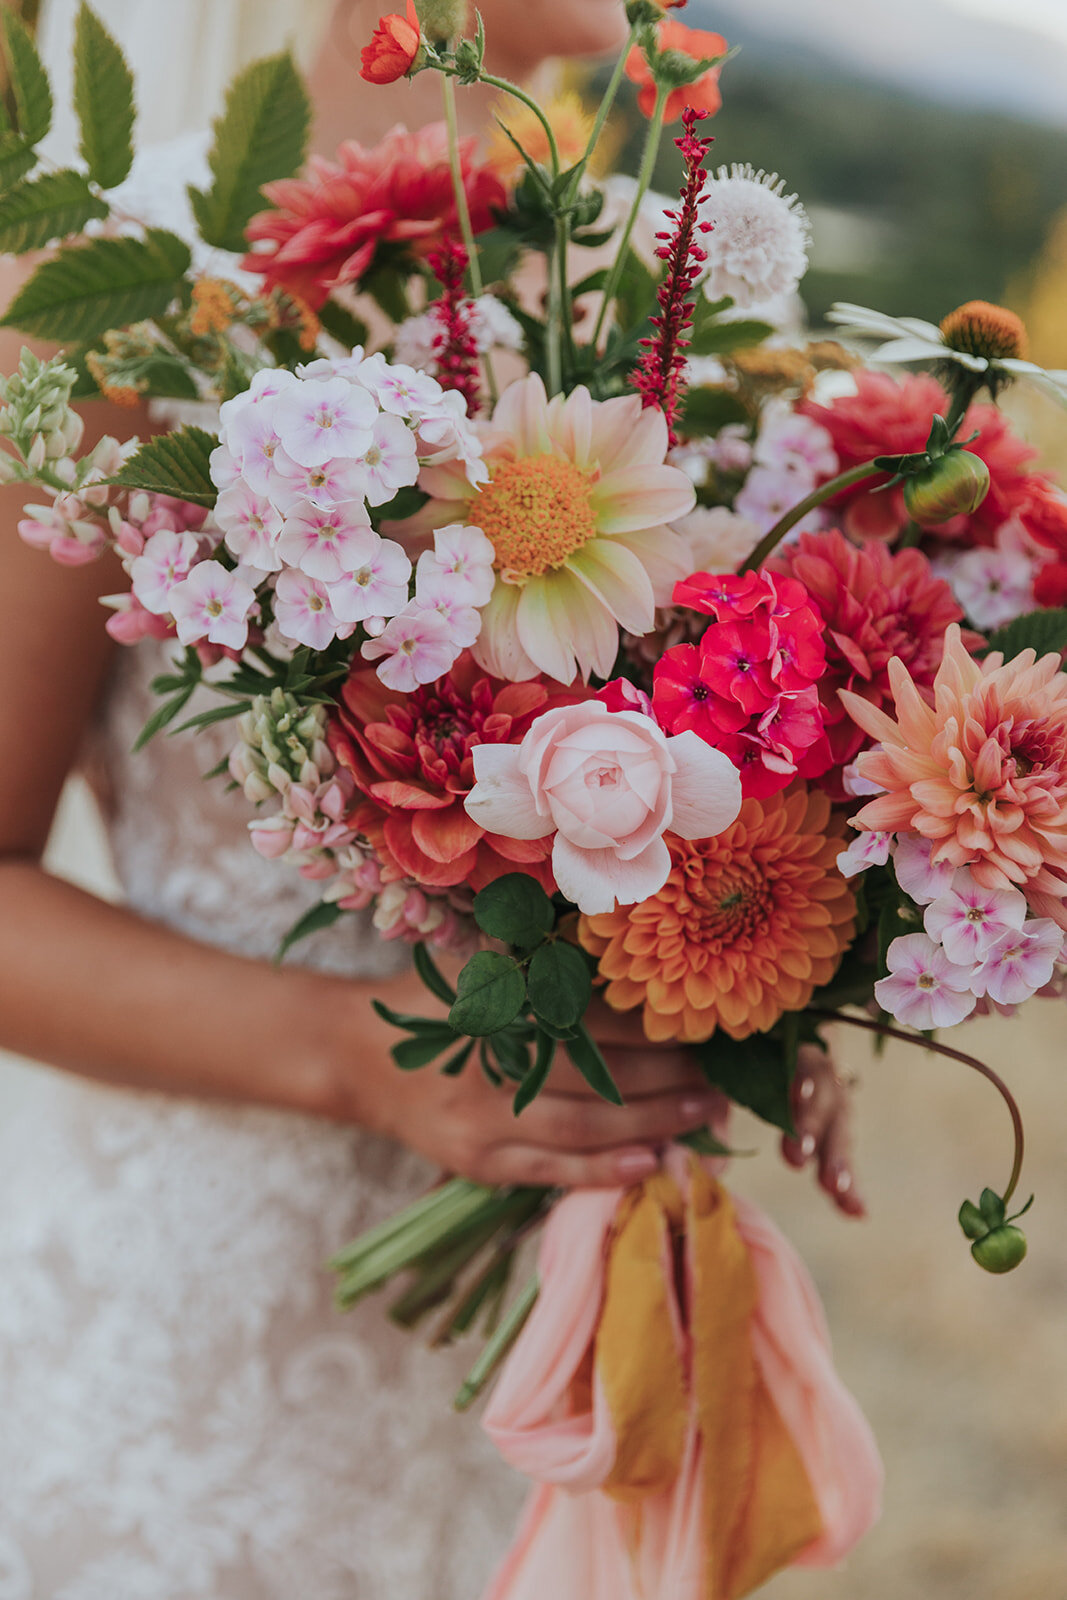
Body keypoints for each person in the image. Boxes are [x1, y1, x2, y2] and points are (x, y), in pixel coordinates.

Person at [0, 3, 861, 1596]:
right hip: (190, 1355)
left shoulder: (659, 317)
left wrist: (758, 988)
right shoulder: (132, 303)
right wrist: (366, 1058)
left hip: (522, 1360)